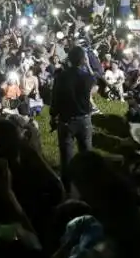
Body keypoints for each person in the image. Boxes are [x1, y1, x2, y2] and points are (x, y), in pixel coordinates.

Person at [50, 45, 96, 186]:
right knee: (86, 155)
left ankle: (67, 188)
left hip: (65, 120)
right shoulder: (87, 77)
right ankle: (88, 185)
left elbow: (55, 97)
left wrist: (53, 115)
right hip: (83, 120)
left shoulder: (61, 76)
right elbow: (94, 82)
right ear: (82, 59)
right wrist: (88, 64)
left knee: (66, 157)